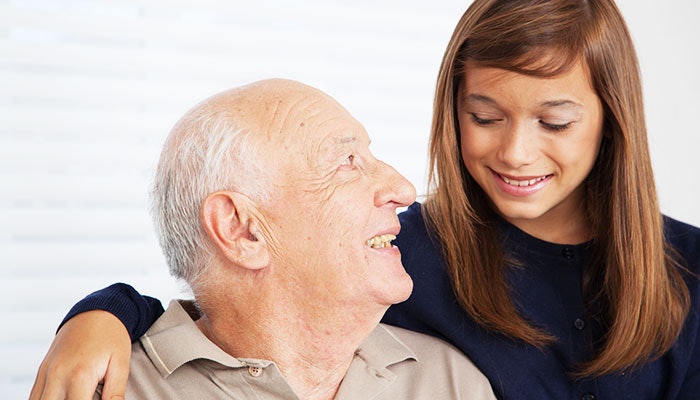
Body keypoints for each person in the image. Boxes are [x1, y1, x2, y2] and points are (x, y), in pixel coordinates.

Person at [30, 0, 700, 399]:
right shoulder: (408, 250)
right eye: (484, 115)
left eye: (554, 121)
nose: (516, 152)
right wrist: (101, 315)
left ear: (613, 120)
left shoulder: (689, 269)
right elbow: (234, 291)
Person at [30, 78, 497, 400]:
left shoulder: (452, 382)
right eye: (347, 163)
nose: (402, 189)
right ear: (241, 230)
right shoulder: (104, 387)